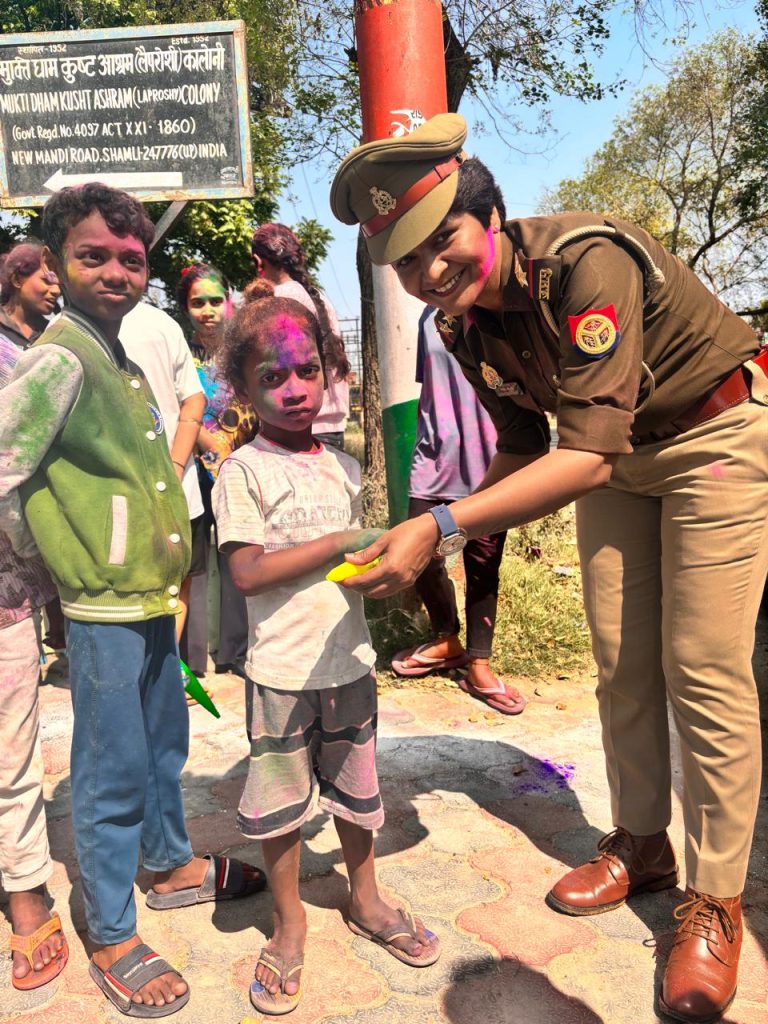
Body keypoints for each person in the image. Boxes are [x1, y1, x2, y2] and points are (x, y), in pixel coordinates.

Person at [330, 113, 768, 1023]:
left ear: (488, 216)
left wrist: (441, 523)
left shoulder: (584, 264)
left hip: (714, 439)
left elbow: (586, 456)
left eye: (442, 240)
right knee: (621, 662)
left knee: (702, 668)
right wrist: (430, 532)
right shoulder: (462, 328)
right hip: (618, 461)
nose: (430, 271)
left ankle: (716, 899)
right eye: (406, 261)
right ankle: (644, 844)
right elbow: (528, 449)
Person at [0, 184, 265, 1017]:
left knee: (161, 745)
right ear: (55, 264)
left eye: (131, 258)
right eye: (93, 257)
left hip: (149, 599)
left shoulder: (117, 356)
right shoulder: (59, 360)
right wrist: (39, 548)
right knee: (111, 768)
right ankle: (113, 929)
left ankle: (170, 863)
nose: (117, 272)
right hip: (103, 607)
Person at [212, 280, 440, 1015]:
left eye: (307, 370)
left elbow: (350, 566)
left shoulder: (343, 467)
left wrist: (383, 572)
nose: (294, 389)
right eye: (272, 376)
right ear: (243, 388)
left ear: (330, 372)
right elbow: (247, 573)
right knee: (281, 804)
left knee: (357, 792)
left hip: (349, 664)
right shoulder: (243, 471)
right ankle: (289, 923)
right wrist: (341, 541)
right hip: (280, 672)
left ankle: (365, 898)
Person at [390, 306, 525, 714]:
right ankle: (446, 637)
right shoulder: (426, 318)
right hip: (434, 455)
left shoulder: (500, 308)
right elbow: (432, 385)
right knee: (419, 552)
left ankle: (479, 663)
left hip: (490, 452)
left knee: (483, 561)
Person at [0, 242, 68, 992]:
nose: (53, 285)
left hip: (6, 589)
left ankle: (25, 890)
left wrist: (42, 561)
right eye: (44, 273)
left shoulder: (36, 359)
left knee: (11, 745)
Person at [120, 301, 208, 679]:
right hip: (176, 487)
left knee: (150, 585)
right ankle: (166, 673)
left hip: (129, 492)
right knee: (175, 584)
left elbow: (193, 399)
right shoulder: (162, 323)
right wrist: (176, 466)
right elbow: (194, 399)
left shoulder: (65, 326)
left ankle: (154, 674)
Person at [177, 264, 253, 676]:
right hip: (189, 469)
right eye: (197, 302)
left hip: (238, 468)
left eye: (215, 300)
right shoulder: (177, 353)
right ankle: (190, 661)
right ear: (185, 307)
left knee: (235, 555)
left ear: (229, 301)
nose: (207, 310)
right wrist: (207, 444)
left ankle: (234, 653)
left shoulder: (243, 350)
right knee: (193, 563)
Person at [0, 242, 66, 652]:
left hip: (51, 494)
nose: (56, 289)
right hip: (9, 508)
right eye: (46, 278)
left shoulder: (53, 339)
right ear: (16, 278)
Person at [250, 223, 351, 449]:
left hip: (295, 430)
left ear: (258, 261)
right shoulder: (320, 299)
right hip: (332, 428)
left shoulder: (274, 303)